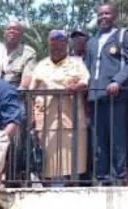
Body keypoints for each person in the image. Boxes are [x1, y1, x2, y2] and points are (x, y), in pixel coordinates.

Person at [84, 3, 128, 184]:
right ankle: (102, 178)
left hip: (116, 97)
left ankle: (118, 177)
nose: (103, 17)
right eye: (100, 14)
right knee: (98, 140)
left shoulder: (125, 36)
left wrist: (118, 81)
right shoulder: (92, 41)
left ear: (114, 16)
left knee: (117, 138)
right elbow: (87, 68)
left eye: (107, 13)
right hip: (95, 97)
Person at [29, 31, 90, 184]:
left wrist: (76, 86)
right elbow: (30, 93)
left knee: (73, 164)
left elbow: (86, 82)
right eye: (53, 46)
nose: (56, 49)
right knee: (48, 166)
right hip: (46, 121)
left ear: (66, 45)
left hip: (71, 120)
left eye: (60, 46)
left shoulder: (76, 63)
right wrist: (32, 119)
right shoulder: (41, 65)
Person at [1, 21, 37, 89]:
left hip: (15, 94)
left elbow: (25, 84)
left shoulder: (29, 53)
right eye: (9, 29)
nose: (12, 31)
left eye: (16, 29)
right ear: (4, 33)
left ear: (21, 34)